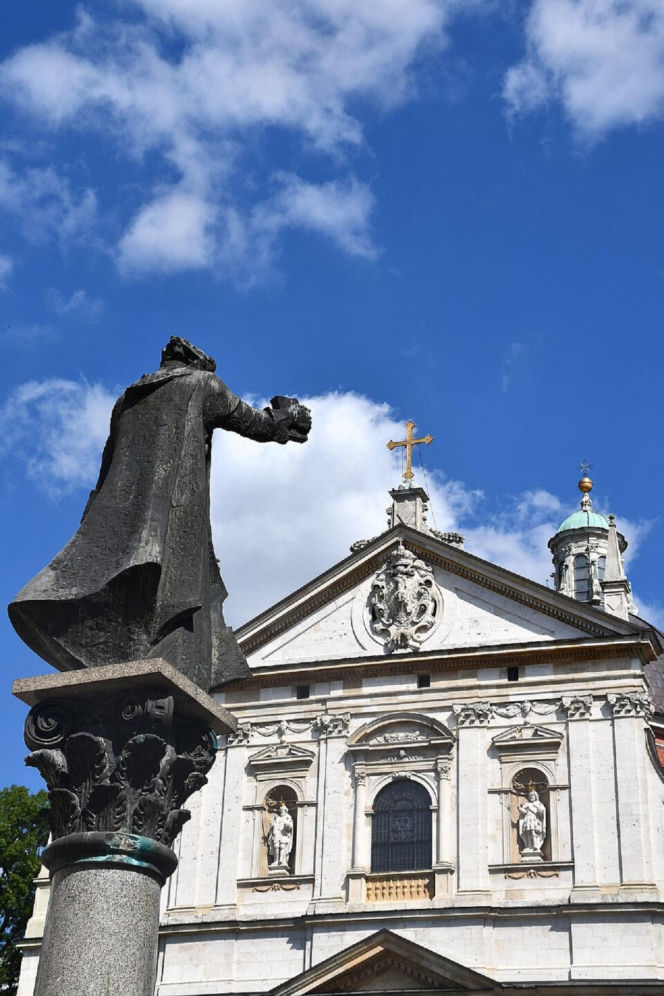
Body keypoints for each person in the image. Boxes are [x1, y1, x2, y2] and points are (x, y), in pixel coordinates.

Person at [8, 337, 311, 691]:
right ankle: (158, 657)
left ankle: (131, 652)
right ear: (196, 362)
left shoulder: (127, 399)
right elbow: (258, 424)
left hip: (120, 518)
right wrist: (287, 416)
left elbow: (106, 466)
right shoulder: (202, 384)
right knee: (175, 592)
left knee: (138, 586)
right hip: (176, 516)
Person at [518, 789, 547, 855]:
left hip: (534, 820)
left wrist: (537, 808)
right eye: (530, 795)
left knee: (533, 832)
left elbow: (542, 813)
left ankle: (535, 846)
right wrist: (520, 809)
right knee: (527, 832)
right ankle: (528, 846)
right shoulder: (527, 804)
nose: (531, 796)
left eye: (532, 795)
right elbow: (524, 812)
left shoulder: (538, 804)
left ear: (535, 796)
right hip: (527, 819)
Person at [267, 804, 294, 868]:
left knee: (282, 846)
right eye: (280, 810)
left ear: (285, 811)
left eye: (282, 810)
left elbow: (290, 827)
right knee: (276, 846)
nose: (281, 811)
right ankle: (276, 860)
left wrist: (287, 824)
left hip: (284, 834)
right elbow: (273, 825)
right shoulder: (277, 818)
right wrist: (272, 825)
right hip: (277, 833)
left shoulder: (288, 817)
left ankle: (282, 860)